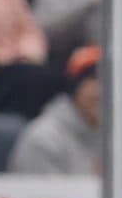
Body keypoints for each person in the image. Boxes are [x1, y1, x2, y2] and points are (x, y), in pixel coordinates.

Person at [6, 45, 99, 175]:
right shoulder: (44, 138)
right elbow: (38, 194)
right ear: (75, 89)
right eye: (93, 80)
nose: (102, 91)